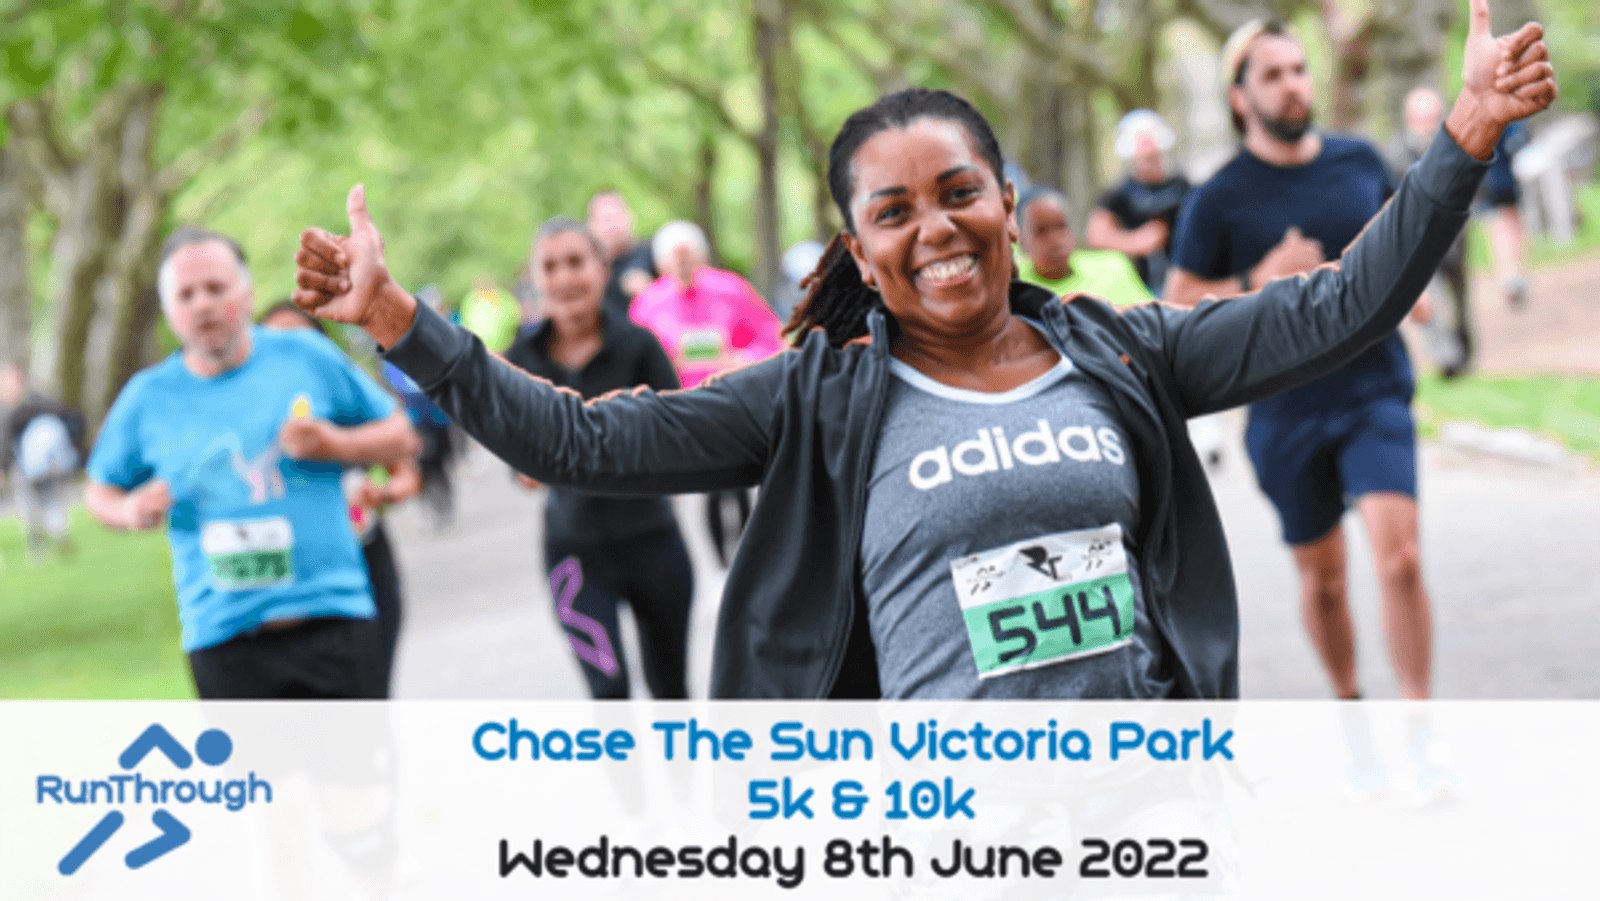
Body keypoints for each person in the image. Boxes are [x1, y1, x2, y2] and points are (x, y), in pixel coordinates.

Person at [292, 1, 1553, 699]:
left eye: (958, 192)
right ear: (855, 243)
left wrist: (1461, 140)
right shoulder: (812, 402)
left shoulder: (1123, 354)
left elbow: (1338, 308)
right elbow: (575, 436)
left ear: (1006, 198)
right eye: (892, 213)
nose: (934, 229)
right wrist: (406, 325)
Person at [1167, 18, 1455, 711]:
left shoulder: (1359, 160)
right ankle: (1350, 705)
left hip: (1375, 388)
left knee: (1401, 556)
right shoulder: (1218, 196)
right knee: (1324, 579)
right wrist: (1259, 278)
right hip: (1284, 408)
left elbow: (1406, 240)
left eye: (1299, 69)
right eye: (1273, 75)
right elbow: (1176, 307)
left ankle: (1421, 725)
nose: (1294, 86)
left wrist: (1418, 296)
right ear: (1241, 97)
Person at [86, 227, 419, 699]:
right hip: (223, 638)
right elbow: (99, 489)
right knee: (252, 778)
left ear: (246, 295)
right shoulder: (148, 398)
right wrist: (127, 509)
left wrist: (333, 445)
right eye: (186, 294)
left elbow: (401, 435)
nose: (202, 304)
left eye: (216, 288)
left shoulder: (304, 356)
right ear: (169, 312)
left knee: (355, 774)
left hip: (332, 617)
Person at [503, 217, 695, 699]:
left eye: (575, 262)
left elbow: (682, 436)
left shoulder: (639, 346)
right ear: (535, 278)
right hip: (575, 559)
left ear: (602, 268)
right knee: (608, 693)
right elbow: (517, 465)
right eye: (550, 266)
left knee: (672, 691)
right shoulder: (518, 360)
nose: (564, 278)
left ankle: (682, 776)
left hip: (656, 546)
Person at [258, 300, 422, 694]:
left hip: (364, 563)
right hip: (286, 580)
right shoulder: (249, 414)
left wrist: (377, 490)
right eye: (275, 341)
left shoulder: (341, 397)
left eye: (301, 339)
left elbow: (405, 465)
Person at [629, 220, 785, 567]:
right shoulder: (648, 305)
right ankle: (724, 566)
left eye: (689, 254)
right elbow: (634, 363)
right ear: (662, 262)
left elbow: (767, 335)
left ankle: (747, 560)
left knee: (740, 486)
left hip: (735, 401)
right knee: (715, 489)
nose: (683, 263)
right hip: (684, 410)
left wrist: (742, 358)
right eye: (675, 256)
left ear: (700, 255)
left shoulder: (730, 289)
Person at [1392, 86, 1475, 378]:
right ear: (1410, 119)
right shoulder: (1398, 154)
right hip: (1420, 241)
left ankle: (1465, 353)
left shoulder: (1455, 147)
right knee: (1430, 298)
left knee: (1460, 302)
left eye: (1435, 117)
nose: (1430, 124)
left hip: (1454, 239)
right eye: (1424, 118)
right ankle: (1446, 359)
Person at [1086, 110, 1192, 297]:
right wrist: (1136, 241)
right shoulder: (1119, 193)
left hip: (1183, 280)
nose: (1148, 157)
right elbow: (1096, 236)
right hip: (1140, 287)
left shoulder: (1182, 186)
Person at [1015, 188, 1154, 308]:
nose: (1056, 240)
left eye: (1061, 226)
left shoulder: (1114, 265)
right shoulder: (1015, 286)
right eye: (1041, 231)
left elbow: (1154, 319)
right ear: (1021, 240)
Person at [1, 363, 87, 557]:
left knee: (51, 500)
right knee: (28, 506)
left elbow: (65, 420)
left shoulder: (34, 403)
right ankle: (39, 542)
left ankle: (59, 535)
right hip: (20, 468)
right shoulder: (10, 411)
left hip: (45, 465)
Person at [588, 191, 658, 321]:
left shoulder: (653, 252)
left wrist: (649, 291)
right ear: (591, 226)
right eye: (606, 220)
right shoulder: (589, 268)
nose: (612, 226)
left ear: (630, 217)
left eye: (616, 217)